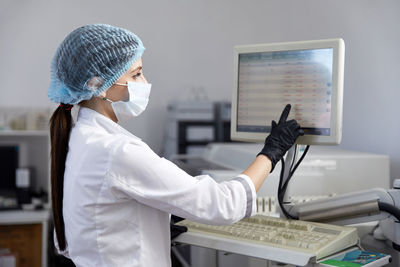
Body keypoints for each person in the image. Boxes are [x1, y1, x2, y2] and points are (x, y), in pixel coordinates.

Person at [48, 24, 303, 267]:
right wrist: (271, 151)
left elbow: (85, 227)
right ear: (96, 85)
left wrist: (152, 224)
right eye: (136, 74)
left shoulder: (79, 138)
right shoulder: (117, 151)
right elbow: (222, 205)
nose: (145, 82)